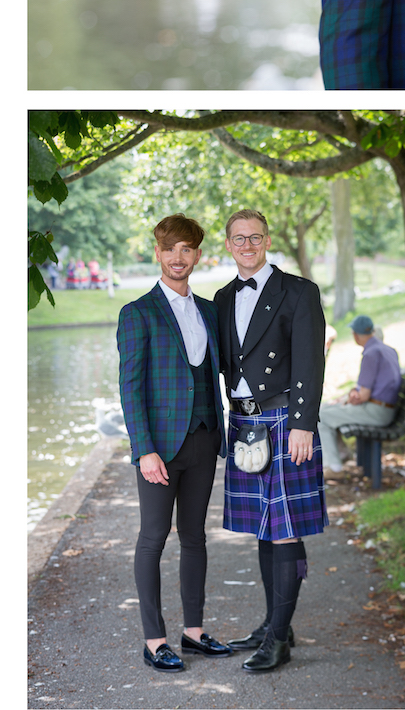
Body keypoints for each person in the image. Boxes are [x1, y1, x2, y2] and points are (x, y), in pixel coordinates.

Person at [117, 214, 232, 672]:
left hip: (205, 440)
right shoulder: (138, 313)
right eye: (170, 249)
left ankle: (194, 632)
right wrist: (144, 449)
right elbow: (131, 388)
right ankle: (154, 639)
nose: (178, 258)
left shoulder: (208, 311)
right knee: (152, 538)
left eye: (187, 249)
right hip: (160, 449)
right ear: (158, 254)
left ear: (198, 255)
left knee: (194, 537)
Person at [214, 210, 327, 673]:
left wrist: (303, 423)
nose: (247, 245)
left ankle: (278, 638)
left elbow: (308, 362)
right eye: (238, 239)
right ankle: (274, 621)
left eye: (254, 237)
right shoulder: (221, 298)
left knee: (285, 527)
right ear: (228, 244)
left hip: (285, 421)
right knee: (266, 526)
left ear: (266, 240)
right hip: (244, 424)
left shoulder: (298, 291)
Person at [317, 314, 402, 478]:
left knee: (320, 415)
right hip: (384, 408)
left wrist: (353, 397)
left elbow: (363, 395)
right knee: (327, 409)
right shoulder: (387, 349)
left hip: (377, 412)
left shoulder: (370, 353)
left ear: (356, 334)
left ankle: (334, 467)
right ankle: (341, 454)